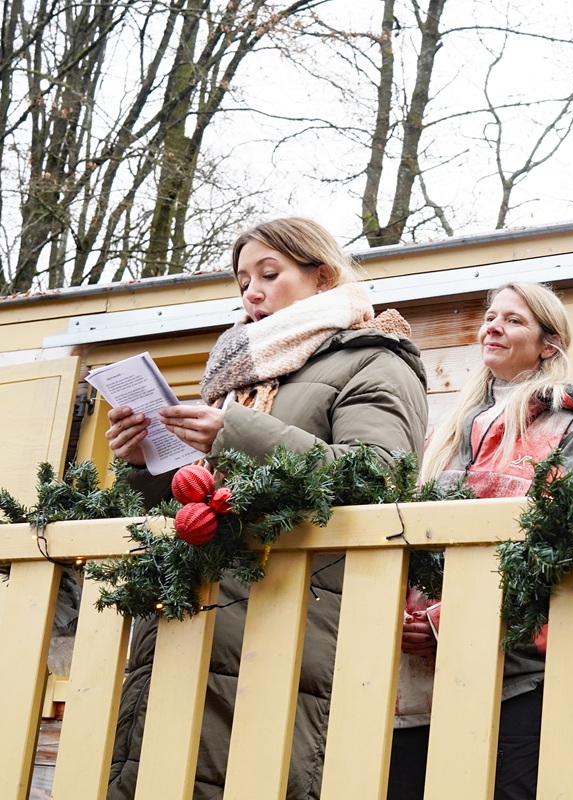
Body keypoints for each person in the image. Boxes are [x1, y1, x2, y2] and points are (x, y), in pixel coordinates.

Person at [104, 217, 430, 799]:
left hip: (296, 616)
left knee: (265, 774)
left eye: (269, 274)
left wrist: (234, 432)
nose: (251, 292)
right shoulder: (236, 374)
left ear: (322, 277)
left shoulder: (375, 359)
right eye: (242, 281)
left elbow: (380, 476)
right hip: (192, 609)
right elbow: (204, 494)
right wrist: (144, 459)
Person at [389, 281, 573, 799]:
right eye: (490, 317)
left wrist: (447, 620)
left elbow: (562, 551)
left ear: (549, 343)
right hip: (418, 683)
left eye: (513, 320)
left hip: (515, 678)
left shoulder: (569, 426)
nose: (492, 327)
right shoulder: (444, 429)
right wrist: (404, 614)